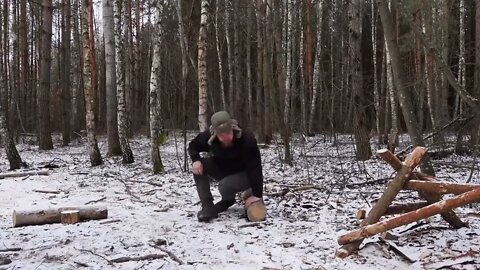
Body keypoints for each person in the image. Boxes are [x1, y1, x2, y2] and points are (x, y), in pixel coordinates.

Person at [188, 111, 266, 222]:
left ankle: (229, 198)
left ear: (233, 129)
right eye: (221, 136)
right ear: (215, 134)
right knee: (199, 167)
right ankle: (207, 206)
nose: (226, 138)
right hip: (222, 167)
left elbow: (255, 168)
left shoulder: (246, 139)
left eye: (228, 133)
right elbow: (193, 146)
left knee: (224, 186)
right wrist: (195, 160)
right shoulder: (208, 136)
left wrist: (257, 195)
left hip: (244, 173)